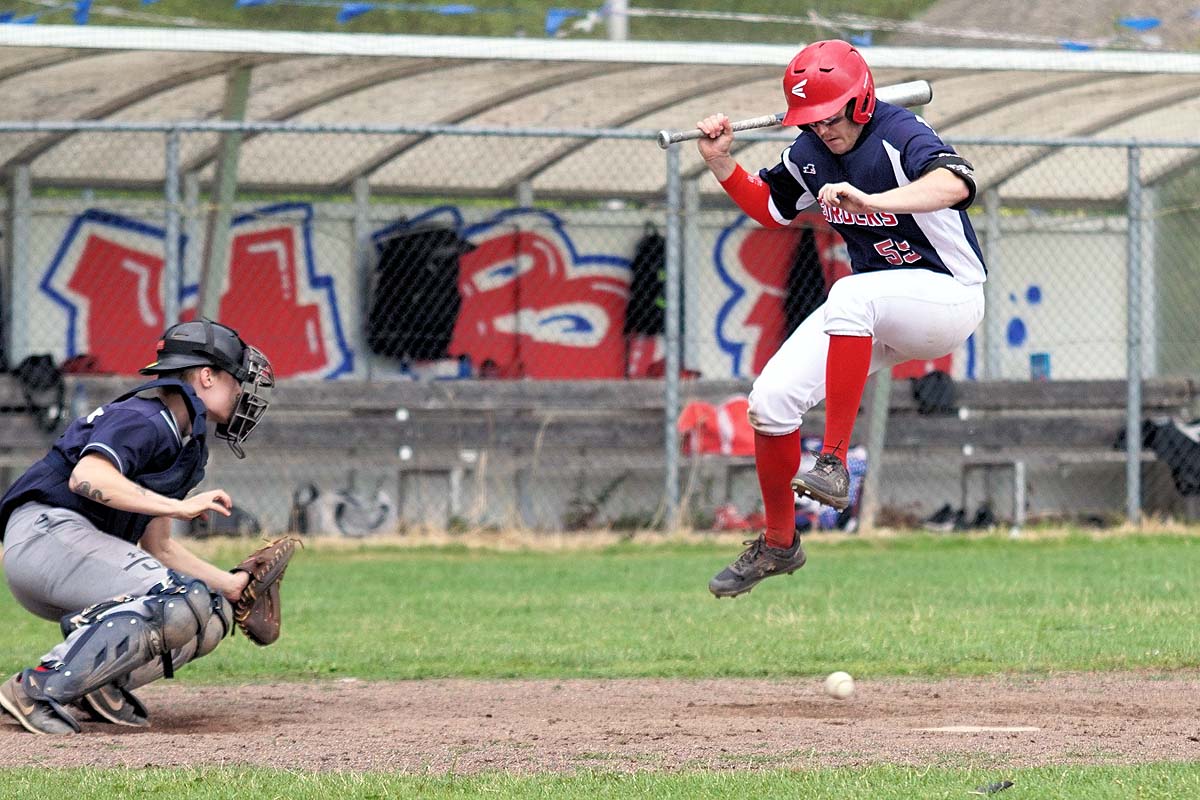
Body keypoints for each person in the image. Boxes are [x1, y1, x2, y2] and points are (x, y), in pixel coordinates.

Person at [699, 40, 986, 598]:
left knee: (851, 294)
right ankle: (780, 543)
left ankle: (832, 462)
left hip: (949, 297)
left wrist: (877, 201)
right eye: (810, 120)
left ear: (860, 104)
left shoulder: (899, 133)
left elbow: (959, 183)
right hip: (877, 307)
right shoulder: (810, 151)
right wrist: (723, 164)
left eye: (829, 118)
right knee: (771, 401)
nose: (821, 130)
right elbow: (771, 206)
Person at [0, 319, 274, 734]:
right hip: (44, 537)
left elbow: (159, 548)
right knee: (176, 596)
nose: (241, 392)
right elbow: (88, 477)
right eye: (236, 380)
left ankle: (97, 684)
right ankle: (34, 686)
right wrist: (179, 508)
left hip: (70, 549)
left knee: (210, 609)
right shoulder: (147, 416)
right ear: (206, 376)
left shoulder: (183, 439)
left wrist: (231, 585)